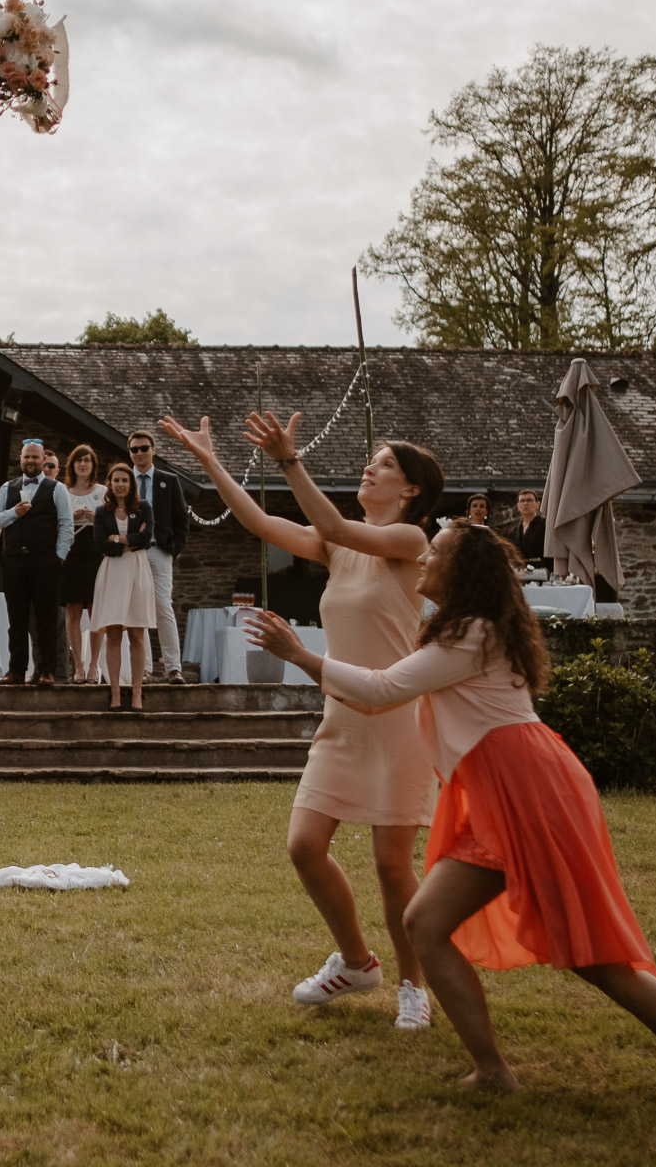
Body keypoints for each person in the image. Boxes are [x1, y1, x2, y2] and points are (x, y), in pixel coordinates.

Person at [253, 526, 656, 1115]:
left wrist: (300, 654)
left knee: (595, 958)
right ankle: (491, 1070)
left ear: (460, 573)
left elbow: (382, 691)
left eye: (436, 552)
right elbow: (376, 695)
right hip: (497, 792)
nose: (424, 555)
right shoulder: (459, 627)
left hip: (533, 793)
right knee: (427, 923)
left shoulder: (474, 632)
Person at [162, 409, 447, 1029]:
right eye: (372, 460)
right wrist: (210, 459)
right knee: (304, 847)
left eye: (385, 464)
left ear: (412, 490)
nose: (370, 468)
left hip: (396, 719)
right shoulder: (338, 547)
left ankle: (413, 986)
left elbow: (328, 521)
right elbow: (260, 521)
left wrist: (289, 460)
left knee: (393, 867)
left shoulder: (411, 542)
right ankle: (356, 962)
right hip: (340, 720)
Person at [0, 439, 68, 685]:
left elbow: (66, 523)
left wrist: (60, 555)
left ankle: (47, 670)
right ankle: (16, 670)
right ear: (21, 460)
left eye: (36, 458)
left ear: (43, 461)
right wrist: (14, 512)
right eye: (27, 457)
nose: (31, 461)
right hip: (14, 560)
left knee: (46, 618)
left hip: (45, 560)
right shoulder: (7, 488)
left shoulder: (56, 488)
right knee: (17, 618)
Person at [127, 430, 190, 684]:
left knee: (163, 606)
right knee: (136, 609)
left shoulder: (168, 480)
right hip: (130, 551)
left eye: (144, 448)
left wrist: (174, 549)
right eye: (135, 449)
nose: (139, 453)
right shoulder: (122, 480)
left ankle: (173, 668)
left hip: (158, 550)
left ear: (153, 450)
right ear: (129, 452)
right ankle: (144, 668)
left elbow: (181, 518)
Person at [90, 464, 155, 710]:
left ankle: (137, 691)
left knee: (137, 634)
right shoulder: (101, 512)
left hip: (137, 571)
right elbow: (100, 542)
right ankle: (115, 691)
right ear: (110, 483)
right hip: (113, 571)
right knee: (114, 632)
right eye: (116, 480)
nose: (120, 484)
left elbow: (146, 538)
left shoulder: (143, 507)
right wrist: (129, 541)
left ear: (131, 484)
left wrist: (116, 538)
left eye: (124, 480)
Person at [58, 444, 106, 684]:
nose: (83, 464)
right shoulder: (62, 492)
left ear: (93, 465)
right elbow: (52, 526)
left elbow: (114, 525)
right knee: (73, 611)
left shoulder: (103, 491)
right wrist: (71, 519)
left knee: (95, 612)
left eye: (87, 460)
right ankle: (77, 665)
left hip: (96, 552)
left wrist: (96, 518)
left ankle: (94, 665)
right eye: (79, 461)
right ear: (72, 465)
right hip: (71, 553)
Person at [504, 489, 545, 566]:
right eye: (522, 501)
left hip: (541, 570)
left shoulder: (545, 525)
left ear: (537, 504)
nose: (525, 503)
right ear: (518, 506)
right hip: (519, 571)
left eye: (529, 500)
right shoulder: (512, 530)